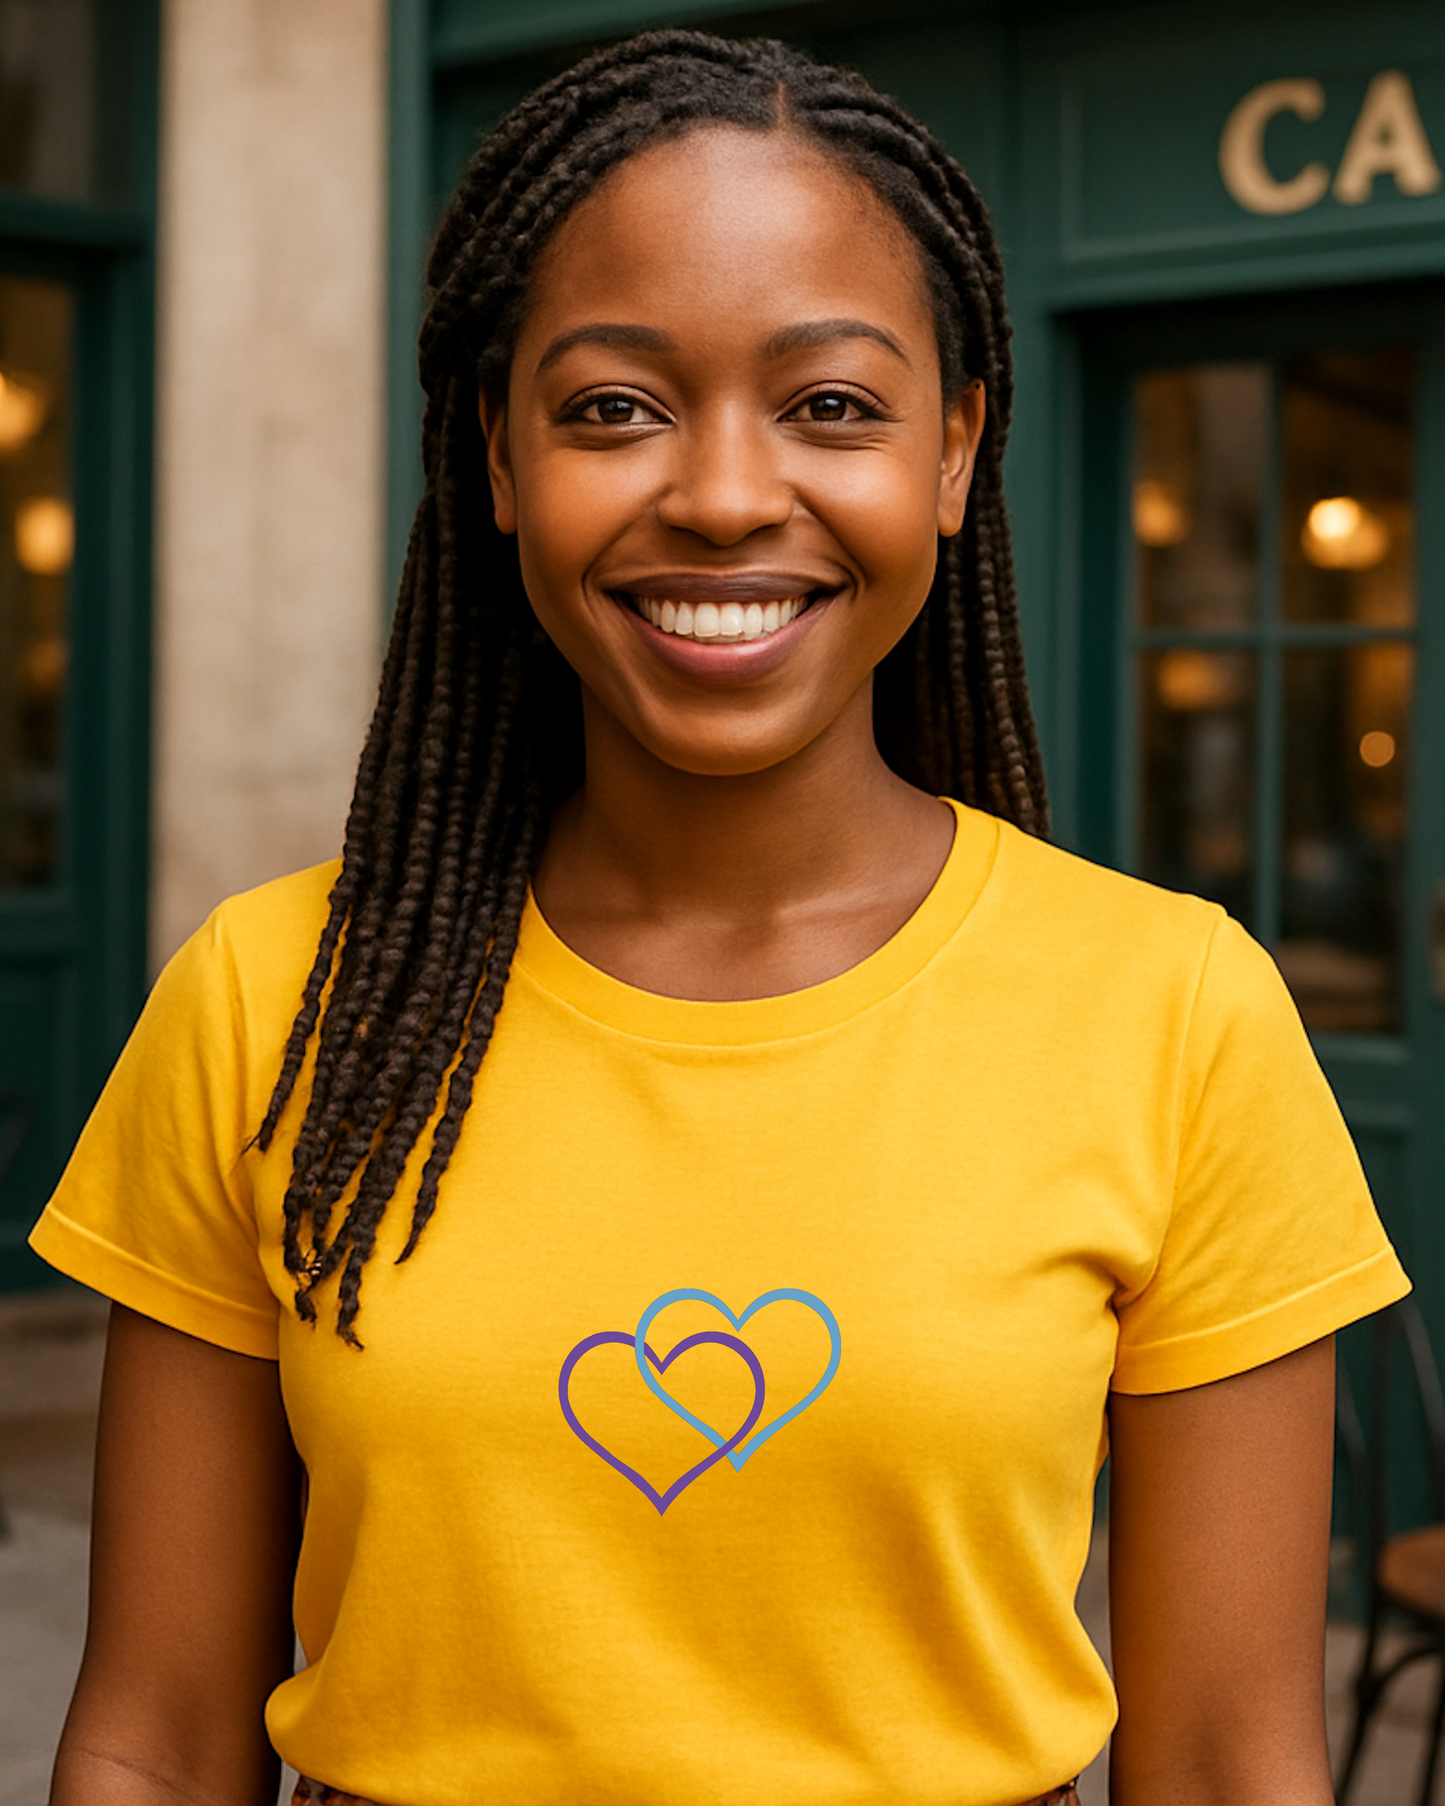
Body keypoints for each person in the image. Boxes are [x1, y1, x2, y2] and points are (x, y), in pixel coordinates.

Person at [31, 29, 1407, 1806]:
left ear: (957, 449)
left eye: (832, 404)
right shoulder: (276, 997)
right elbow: (154, 1736)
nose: (727, 492)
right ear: (500, 454)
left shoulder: (1174, 1010)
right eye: (614, 406)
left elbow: (1231, 1763)